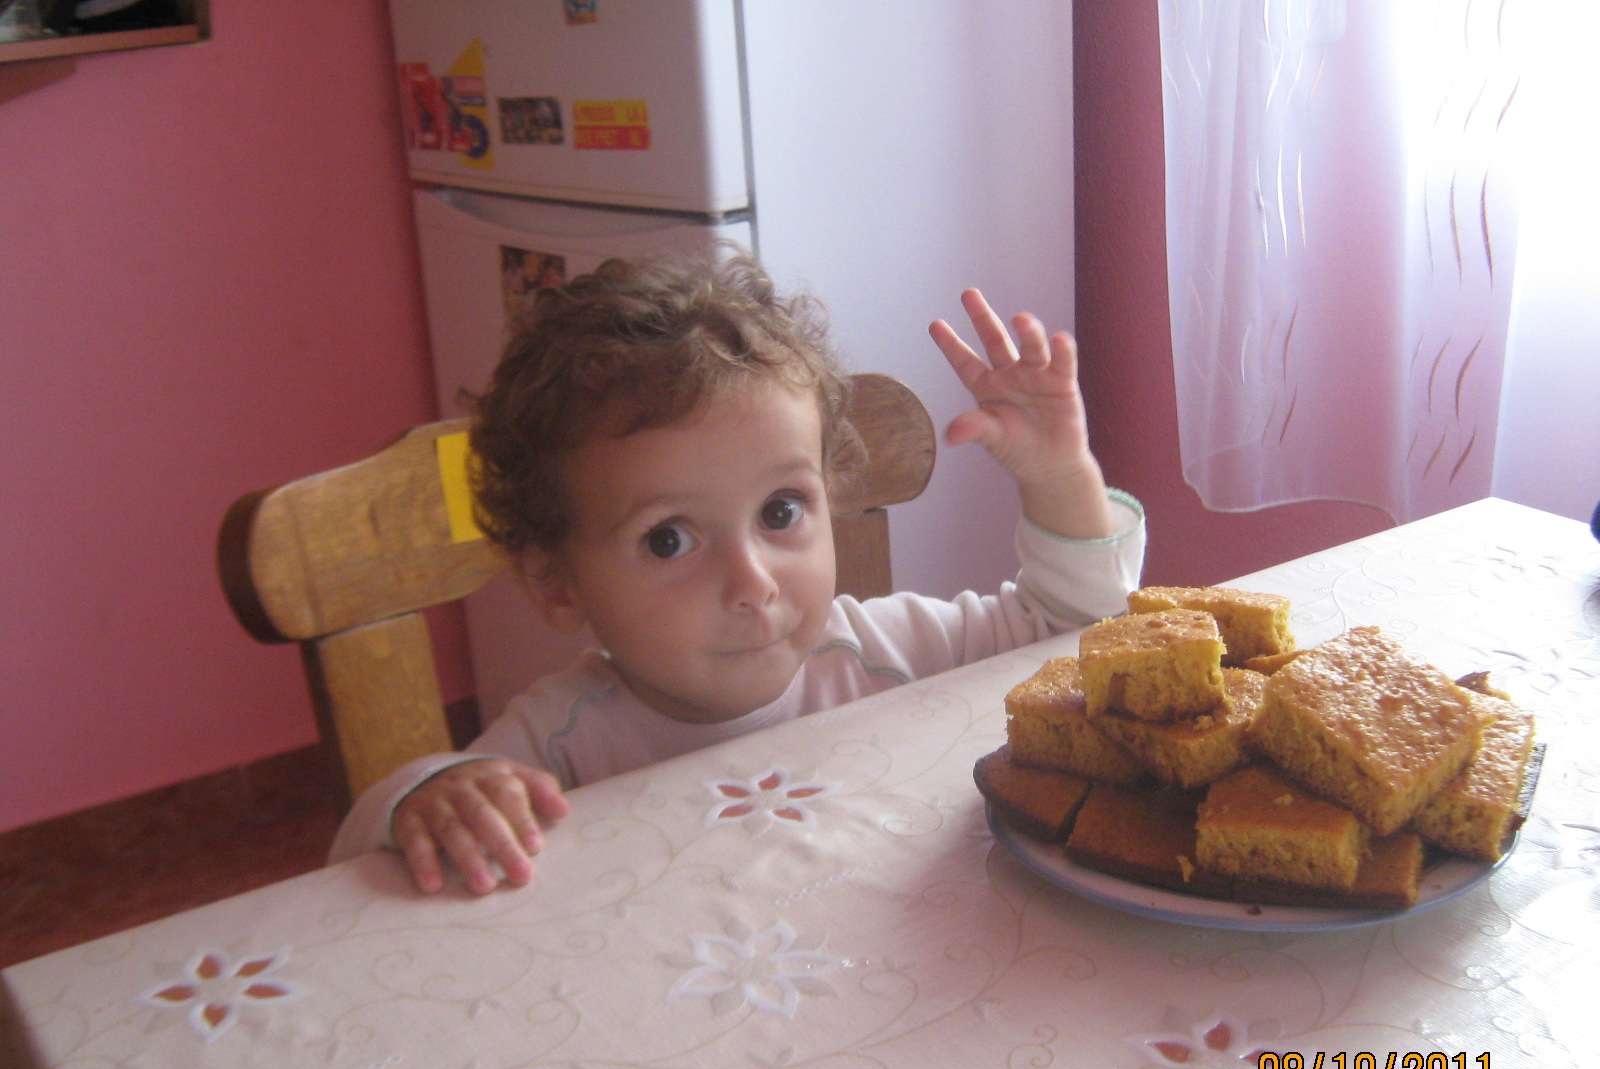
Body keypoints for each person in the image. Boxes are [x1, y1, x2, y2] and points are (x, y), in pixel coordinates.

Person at [329, 253, 1146, 893]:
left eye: (781, 512)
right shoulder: (566, 744)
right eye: (668, 541)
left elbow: (1074, 634)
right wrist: (428, 797)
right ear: (555, 583)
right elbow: (360, 854)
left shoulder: (886, 654)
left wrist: (1059, 476)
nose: (752, 582)